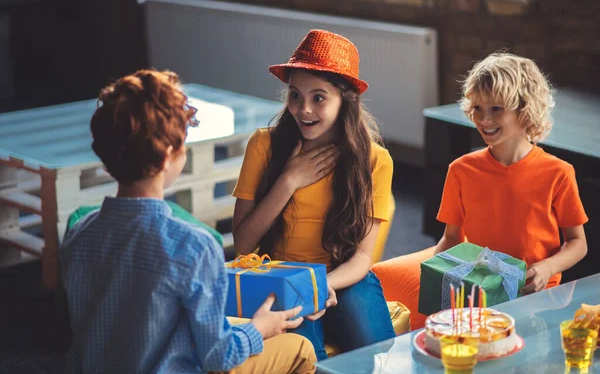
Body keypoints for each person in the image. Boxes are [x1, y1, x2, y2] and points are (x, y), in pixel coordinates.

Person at [60, 69, 316, 373]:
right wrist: (260, 328)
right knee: (302, 348)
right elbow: (218, 355)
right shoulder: (194, 246)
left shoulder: (78, 235)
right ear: (168, 155)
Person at [232, 29, 396, 361]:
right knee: (306, 355)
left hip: (341, 275)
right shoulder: (263, 145)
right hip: (279, 274)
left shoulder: (375, 160)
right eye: (295, 95)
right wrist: (288, 181)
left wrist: (322, 286)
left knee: (377, 346)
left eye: (318, 97)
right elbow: (243, 244)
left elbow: (363, 258)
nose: (303, 109)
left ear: (345, 100)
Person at [434, 52, 588, 294]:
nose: (484, 119)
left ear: (525, 110)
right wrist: (437, 277)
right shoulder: (460, 170)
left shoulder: (559, 172)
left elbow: (578, 243)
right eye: (477, 107)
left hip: (537, 293)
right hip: (480, 291)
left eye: (496, 108)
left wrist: (548, 268)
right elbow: (452, 238)